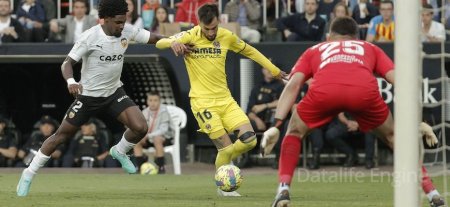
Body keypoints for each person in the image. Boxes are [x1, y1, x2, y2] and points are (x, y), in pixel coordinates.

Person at [260, 16, 445, 207]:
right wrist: (418, 120)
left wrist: (277, 124)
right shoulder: (370, 47)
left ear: (329, 36)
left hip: (325, 91)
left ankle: (283, 190)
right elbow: (403, 82)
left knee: (294, 132)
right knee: (395, 137)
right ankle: (433, 194)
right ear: (357, 36)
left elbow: (293, 85)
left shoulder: (315, 49)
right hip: (363, 92)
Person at [16, 0, 164, 197]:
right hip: (88, 97)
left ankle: (119, 151)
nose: (122, 25)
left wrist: (176, 41)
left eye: (124, 21)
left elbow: (154, 38)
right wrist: (71, 81)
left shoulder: (127, 30)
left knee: (140, 127)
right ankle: (28, 174)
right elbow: (66, 63)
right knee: (60, 136)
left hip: (113, 93)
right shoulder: (90, 36)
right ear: (106, 19)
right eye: (118, 22)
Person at [156, 3, 286, 196]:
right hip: (202, 102)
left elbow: (251, 51)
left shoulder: (226, 36)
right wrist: (174, 42)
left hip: (225, 100)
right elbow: (160, 43)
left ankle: (224, 167)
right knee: (225, 146)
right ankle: (223, 186)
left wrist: (274, 71)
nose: (211, 32)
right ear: (199, 23)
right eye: (207, 29)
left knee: (249, 141)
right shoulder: (190, 35)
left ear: (219, 21)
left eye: (214, 28)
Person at [133, 91, 173, 174]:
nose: (153, 103)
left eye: (155, 100)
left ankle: (161, 167)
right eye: (150, 100)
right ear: (147, 101)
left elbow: (163, 129)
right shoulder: (144, 112)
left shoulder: (164, 111)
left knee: (157, 139)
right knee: (136, 140)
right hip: (149, 138)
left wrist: (148, 135)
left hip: (164, 138)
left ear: (159, 101)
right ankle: (139, 167)